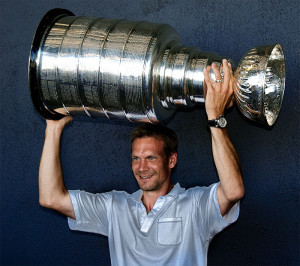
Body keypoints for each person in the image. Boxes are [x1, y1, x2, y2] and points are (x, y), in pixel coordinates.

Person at [39, 59, 244, 266]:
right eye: (136, 158)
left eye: (151, 158)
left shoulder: (195, 206)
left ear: (171, 160)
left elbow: (233, 191)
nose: (141, 167)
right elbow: (51, 198)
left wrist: (215, 116)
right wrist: (53, 128)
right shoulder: (115, 207)